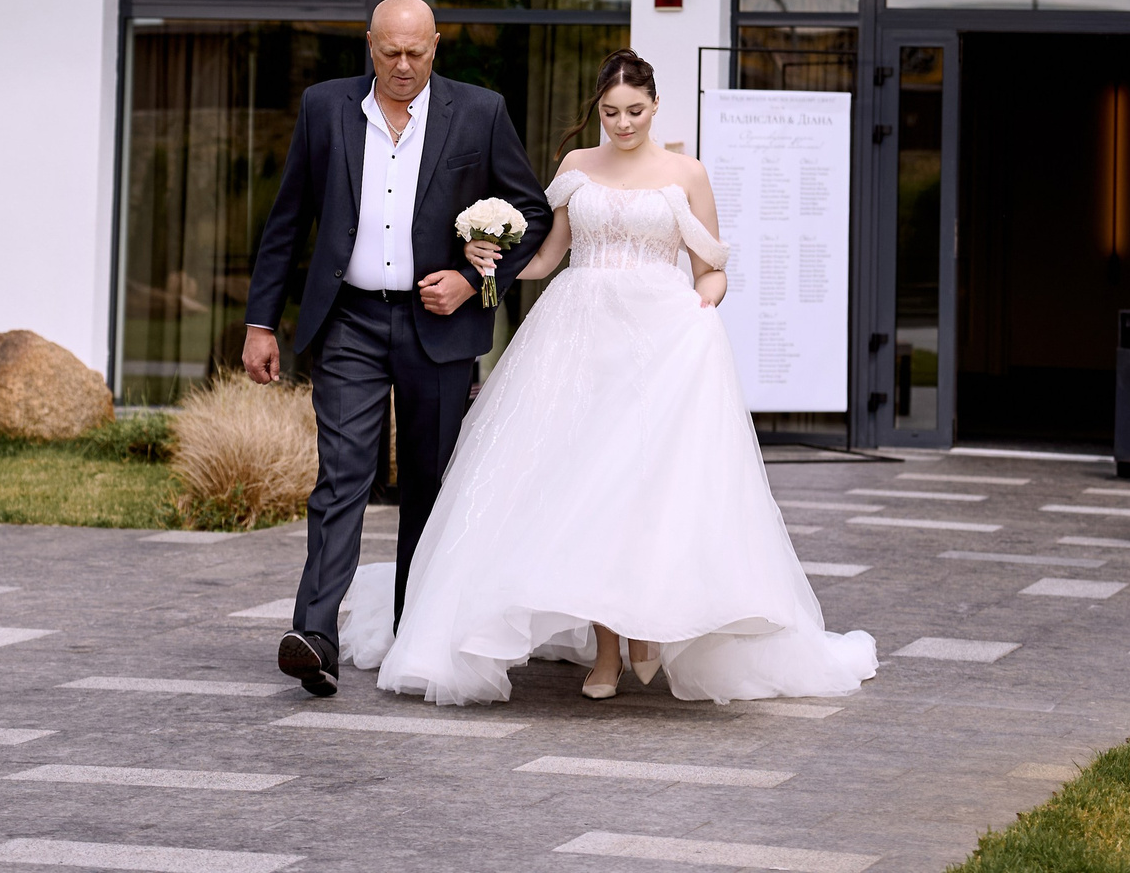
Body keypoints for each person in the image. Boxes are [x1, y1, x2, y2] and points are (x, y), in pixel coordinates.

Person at [342, 48, 877, 705]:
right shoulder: (575, 167)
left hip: (660, 345)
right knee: (583, 485)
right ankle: (608, 648)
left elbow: (712, 265)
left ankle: (645, 626)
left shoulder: (687, 172)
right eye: (610, 112)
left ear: (655, 106)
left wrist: (704, 302)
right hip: (579, 342)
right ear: (597, 109)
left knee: (643, 491)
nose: (622, 123)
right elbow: (545, 257)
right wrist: (487, 261)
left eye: (634, 111)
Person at [241, 0, 551, 699]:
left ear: (436, 46)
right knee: (341, 474)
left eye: (416, 52)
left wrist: (475, 279)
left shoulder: (480, 111)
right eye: (390, 52)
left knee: (428, 485)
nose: (403, 65)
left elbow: (531, 211)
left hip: (437, 324)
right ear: (370, 45)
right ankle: (313, 634)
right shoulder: (326, 108)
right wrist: (262, 321)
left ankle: (418, 631)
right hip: (347, 320)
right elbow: (288, 217)